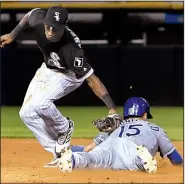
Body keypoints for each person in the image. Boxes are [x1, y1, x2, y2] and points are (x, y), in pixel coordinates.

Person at [0, 6, 118, 167]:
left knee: (39, 104)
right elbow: (30, 14)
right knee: (26, 113)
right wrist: (13, 35)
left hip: (68, 75)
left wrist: (111, 108)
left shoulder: (72, 50)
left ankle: (64, 127)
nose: (50, 30)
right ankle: (60, 152)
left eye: (55, 28)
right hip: (47, 69)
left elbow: (91, 79)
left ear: (64, 27)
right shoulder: (39, 20)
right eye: (48, 25)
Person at [58, 97, 183, 173]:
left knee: (93, 159)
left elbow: (90, 148)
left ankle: (74, 159)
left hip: (110, 145)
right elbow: (175, 158)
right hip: (132, 148)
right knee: (133, 163)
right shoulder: (155, 128)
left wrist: (74, 149)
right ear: (144, 115)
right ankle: (141, 160)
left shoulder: (116, 125)